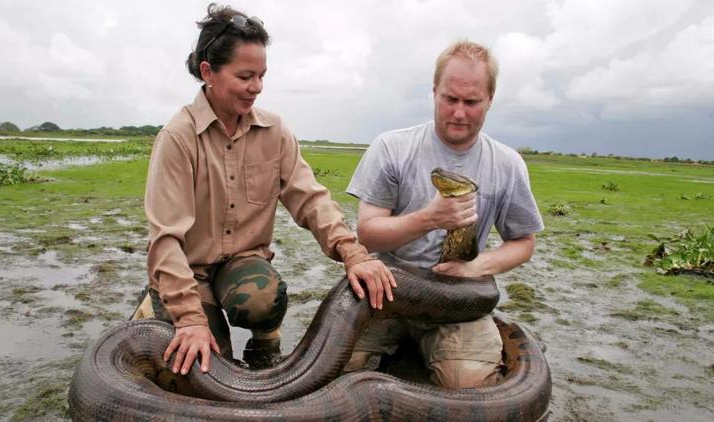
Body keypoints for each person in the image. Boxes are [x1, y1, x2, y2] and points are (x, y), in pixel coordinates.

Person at [145, 3, 395, 376]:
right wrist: (189, 318)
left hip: (243, 264)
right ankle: (157, 308)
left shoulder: (275, 131)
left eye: (262, 75)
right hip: (190, 270)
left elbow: (312, 199)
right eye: (245, 76)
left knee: (262, 301)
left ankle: (265, 338)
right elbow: (165, 240)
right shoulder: (178, 138)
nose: (256, 88)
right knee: (207, 370)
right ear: (208, 72)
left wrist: (353, 253)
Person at [344, 40, 544, 388]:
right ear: (434, 91)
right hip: (386, 291)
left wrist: (476, 268)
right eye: (450, 99)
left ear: (490, 100)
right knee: (343, 367)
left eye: (472, 102)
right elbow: (368, 234)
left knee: (468, 385)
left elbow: (524, 242)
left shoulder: (507, 164)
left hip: (456, 296)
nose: (459, 113)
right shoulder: (391, 148)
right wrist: (430, 218)